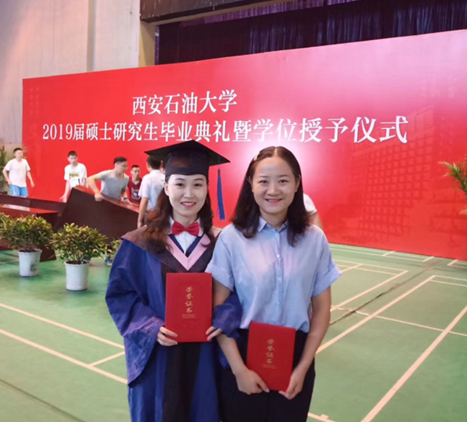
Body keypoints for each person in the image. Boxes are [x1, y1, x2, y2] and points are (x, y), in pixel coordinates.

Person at [106, 141, 241, 422]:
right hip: (158, 356)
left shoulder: (223, 243)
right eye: (180, 184)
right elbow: (120, 295)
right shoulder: (138, 243)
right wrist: (150, 327)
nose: (188, 194)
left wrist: (225, 317)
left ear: (207, 188)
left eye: (197, 184)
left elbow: (242, 293)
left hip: (207, 356)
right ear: (166, 187)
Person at [207, 146, 341, 422]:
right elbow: (217, 309)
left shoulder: (315, 240)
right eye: (263, 181)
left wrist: (303, 367)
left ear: (297, 184)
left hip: (295, 357)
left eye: (282, 180)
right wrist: (239, 370)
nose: (273, 190)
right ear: (250, 183)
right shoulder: (231, 238)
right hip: (242, 355)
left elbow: (321, 310)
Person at [137, 155, 165, 228]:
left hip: (151, 215)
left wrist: (139, 220)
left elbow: (145, 200)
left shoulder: (147, 178)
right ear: (161, 164)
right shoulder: (165, 178)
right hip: (165, 214)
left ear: (148, 165)